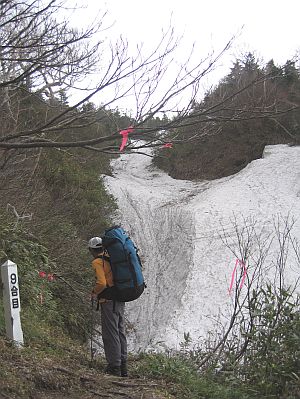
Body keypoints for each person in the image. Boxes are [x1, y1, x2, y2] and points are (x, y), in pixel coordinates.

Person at [88, 236, 128, 377]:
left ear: (92, 250)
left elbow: (101, 283)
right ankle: (123, 366)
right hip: (119, 299)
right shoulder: (112, 258)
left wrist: (94, 293)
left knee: (110, 333)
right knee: (119, 331)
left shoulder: (98, 262)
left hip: (108, 300)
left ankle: (114, 367)